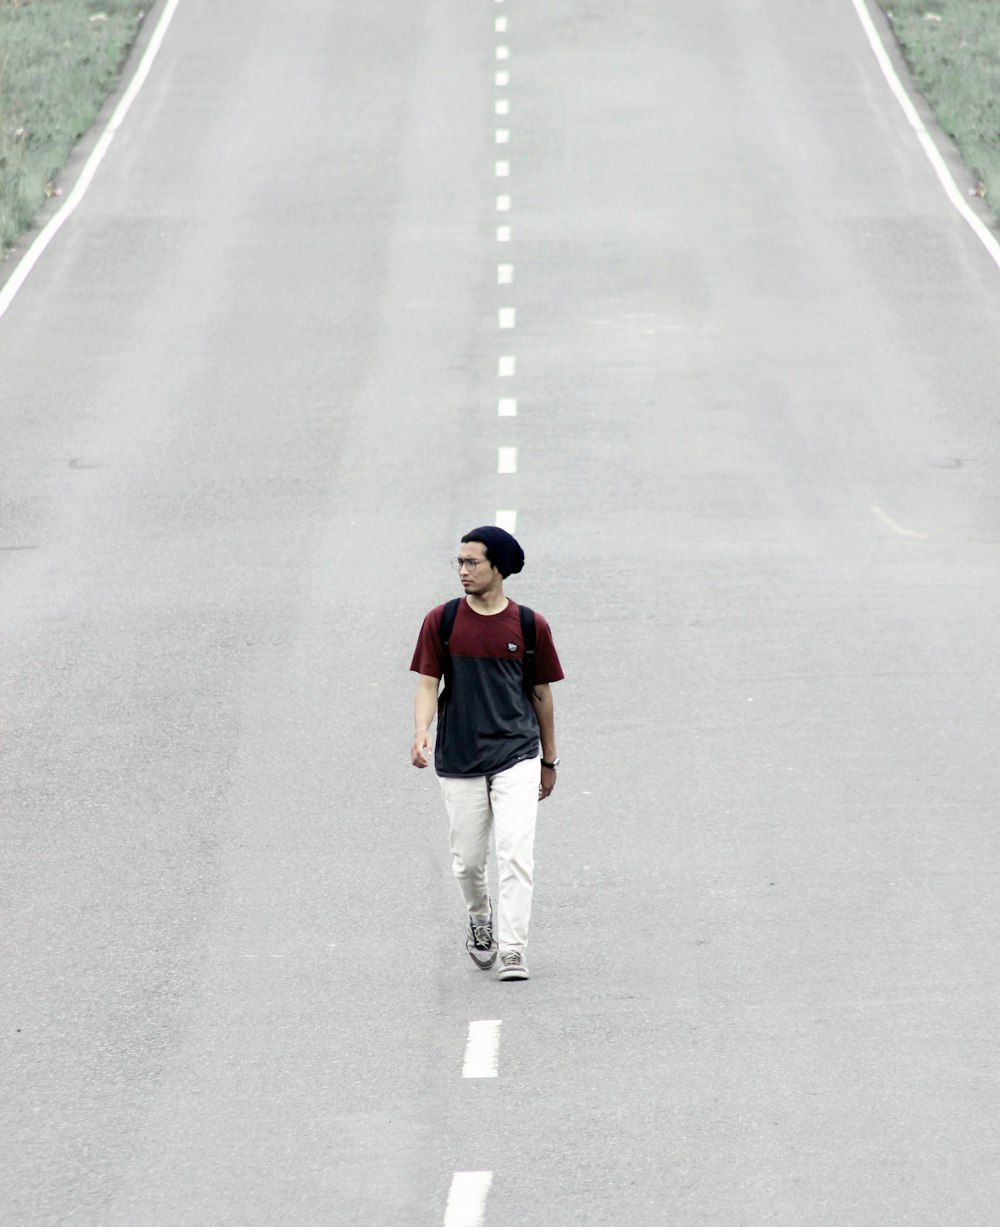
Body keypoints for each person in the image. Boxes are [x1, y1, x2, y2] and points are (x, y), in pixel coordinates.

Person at [410, 526, 564, 981]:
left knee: (515, 853)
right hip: (458, 756)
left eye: (472, 562)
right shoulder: (443, 621)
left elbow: (541, 695)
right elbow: (426, 683)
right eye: (459, 562)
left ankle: (514, 949)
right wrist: (421, 731)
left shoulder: (530, 626)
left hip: (516, 752)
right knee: (468, 862)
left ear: (498, 567)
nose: (463, 570)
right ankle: (481, 918)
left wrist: (549, 760)